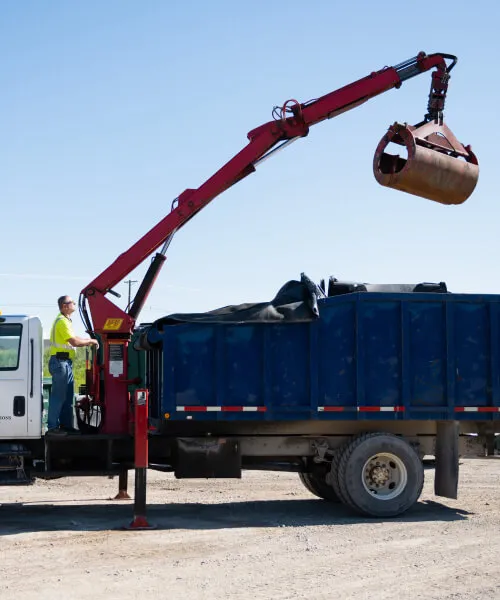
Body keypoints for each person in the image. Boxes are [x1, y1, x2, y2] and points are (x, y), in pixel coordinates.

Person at [47, 295, 99, 435]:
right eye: (72, 302)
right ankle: (52, 427)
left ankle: (66, 426)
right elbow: (75, 342)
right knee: (58, 396)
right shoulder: (62, 322)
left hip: (65, 363)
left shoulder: (65, 321)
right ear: (64, 306)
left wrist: (89, 339)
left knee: (67, 396)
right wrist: (91, 341)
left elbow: (76, 338)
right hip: (60, 363)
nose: (75, 304)